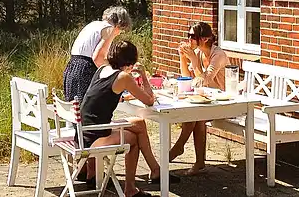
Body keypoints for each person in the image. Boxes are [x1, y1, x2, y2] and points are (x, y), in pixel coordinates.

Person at [79, 41, 176, 197]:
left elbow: (101, 96)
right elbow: (149, 101)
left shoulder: (102, 69)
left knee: (139, 123)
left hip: (84, 130)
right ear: (130, 60)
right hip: (93, 136)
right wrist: (143, 75)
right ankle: (130, 189)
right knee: (133, 139)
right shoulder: (123, 77)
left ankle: (156, 170)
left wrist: (123, 98)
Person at [168, 22, 229, 175]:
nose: (189, 40)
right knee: (196, 115)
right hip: (208, 100)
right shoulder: (200, 53)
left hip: (225, 101)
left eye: (193, 37)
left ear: (205, 39)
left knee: (196, 115)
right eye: (188, 36)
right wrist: (183, 57)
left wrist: (194, 60)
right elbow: (187, 79)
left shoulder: (218, 55)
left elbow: (204, 81)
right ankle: (199, 161)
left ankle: (179, 146)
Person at [63, 6, 131, 102]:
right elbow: (98, 59)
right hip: (85, 71)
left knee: (74, 110)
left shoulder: (94, 24)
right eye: (121, 30)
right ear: (120, 24)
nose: (119, 33)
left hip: (72, 67)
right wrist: (116, 73)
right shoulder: (109, 29)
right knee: (89, 109)